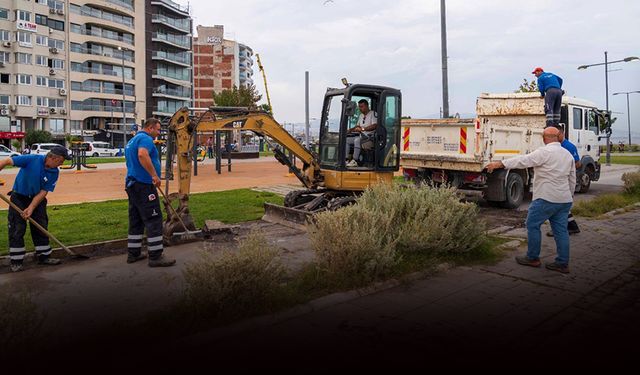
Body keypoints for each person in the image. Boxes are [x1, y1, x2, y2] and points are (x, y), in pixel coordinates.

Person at [486, 127, 575, 273]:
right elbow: (572, 179)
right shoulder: (567, 155)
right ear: (558, 137)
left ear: (545, 138)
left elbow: (523, 161)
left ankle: (533, 257)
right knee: (561, 231)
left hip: (546, 197)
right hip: (563, 199)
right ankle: (562, 263)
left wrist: (500, 164)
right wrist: (569, 196)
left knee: (532, 224)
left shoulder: (543, 152)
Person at [0, 146, 70, 272]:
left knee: (40, 226)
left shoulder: (54, 172)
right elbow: (6, 161)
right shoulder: (32, 159)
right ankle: (16, 261)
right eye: (61, 161)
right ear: (53, 158)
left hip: (37, 199)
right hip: (19, 197)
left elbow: (44, 191)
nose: (61, 164)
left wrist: (31, 207)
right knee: (17, 228)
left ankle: (44, 257)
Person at [125, 118, 175, 267]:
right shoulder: (145, 139)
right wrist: (154, 175)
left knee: (136, 220)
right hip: (144, 186)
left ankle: (133, 253)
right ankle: (155, 256)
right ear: (150, 128)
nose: (159, 133)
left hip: (132, 184)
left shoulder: (133, 140)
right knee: (154, 219)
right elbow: (142, 155)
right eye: (158, 130)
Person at [548, 125, 581, 235]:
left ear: (561, 134)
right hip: (557, 180)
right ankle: (572, 227)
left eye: (556, 135)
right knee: (562, 207)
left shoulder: (569, 146)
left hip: (565, 181)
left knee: (557, 206)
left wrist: (564, 169)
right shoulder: (554, 146)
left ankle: (560, 229)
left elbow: (578, 163)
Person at [345, 99, 377, 167]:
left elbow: (375, 126)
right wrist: (351, 130)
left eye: (362, 106)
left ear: (367, 106)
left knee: (357, 140)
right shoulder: (361, 115)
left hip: (369, 138)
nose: (360, 108)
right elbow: (358, 125)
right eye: (359, 107)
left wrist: (362, 129)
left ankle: (355, 160)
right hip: (361, 136)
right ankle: (346, 159)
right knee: (347, 140)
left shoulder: (373, 114)